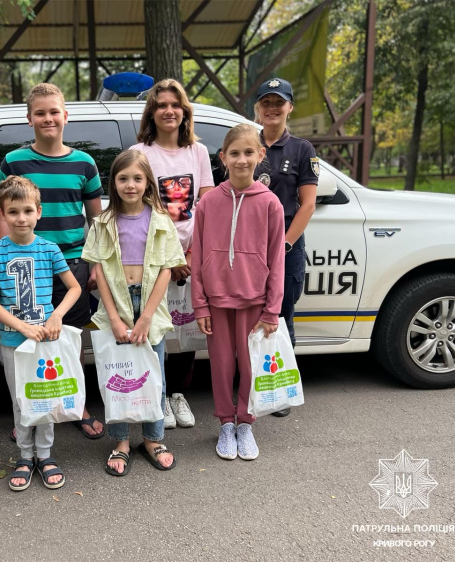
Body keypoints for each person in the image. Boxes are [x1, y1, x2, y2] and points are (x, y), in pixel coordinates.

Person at [0, 83, 106, 440]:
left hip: (72, 266)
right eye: (40, 113)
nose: (48, 118)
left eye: (54, 111)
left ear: (65, 116)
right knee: (27, 343)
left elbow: (96, 223)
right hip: (26, 270)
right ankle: (28, 410)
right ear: (29, 119)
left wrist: (94, 265)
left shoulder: (84, 163)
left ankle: (76, 403)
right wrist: (1, 268)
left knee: (70, 342)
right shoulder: (13, 162)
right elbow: (3, 220)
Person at [82, 150, 186, 476]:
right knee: (119, 375)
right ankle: (121, 441)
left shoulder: (160, 220)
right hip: (115, 302)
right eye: (123, 178)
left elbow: (167, 271)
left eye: (137, 178)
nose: (130, 185)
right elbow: (98, 272)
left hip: (149, 306)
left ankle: (153, 438)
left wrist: (145, 318)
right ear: (112, 182)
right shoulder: (103, 222)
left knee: (154, 375)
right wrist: (114, 317)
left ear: (147, 183)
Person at [191, 124, 285, 461]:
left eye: (248, 152)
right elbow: (199, 255)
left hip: (254, 301)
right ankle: (225, 424)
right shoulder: (209, 203)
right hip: (216, 301)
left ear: (260, 155)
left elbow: (276, 260)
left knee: (249, 366)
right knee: (220, 366)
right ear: (223, 158)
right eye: (235, 153)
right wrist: (199, 305)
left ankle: (245, 422)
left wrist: (272, 310)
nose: (242, 159)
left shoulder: (270, 204)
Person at [0, 175, 81, 491]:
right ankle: (25, 456)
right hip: (13, 342)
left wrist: (56, 316)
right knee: (21, 401)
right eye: (13, 212)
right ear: (3, 213)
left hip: (47, 342)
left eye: (27, 211)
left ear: (39, 212)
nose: (21, 218)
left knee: (46, 397)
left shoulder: (49, 249)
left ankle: (45, 455)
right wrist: (22, 327)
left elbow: (74, 288)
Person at [130, 78, 215, 430]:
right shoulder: (141, 153)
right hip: (155, 258)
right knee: (157, 329)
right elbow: (137, 208)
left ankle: (179, 393)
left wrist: (193, 253)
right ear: (152, 112)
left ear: (184, 111)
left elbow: (207, 203)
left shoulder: (198, 152)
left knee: (187, 326)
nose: (168, 110)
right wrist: (169, 258)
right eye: (161, 104)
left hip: (192, 255)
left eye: (175, 104)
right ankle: (160, 392)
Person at [253, 77, 319, 417]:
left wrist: (286, 243)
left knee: (282, 315)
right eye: (266, 102)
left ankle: (279, 387)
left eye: (279, 102)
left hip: (287, 246)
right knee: (251, 313)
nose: (272, 108)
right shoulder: (248, 143)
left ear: (290, 107)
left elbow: (307, 204)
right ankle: (254, 381)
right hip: (250, 247)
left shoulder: (302, 150)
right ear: (258, 108)